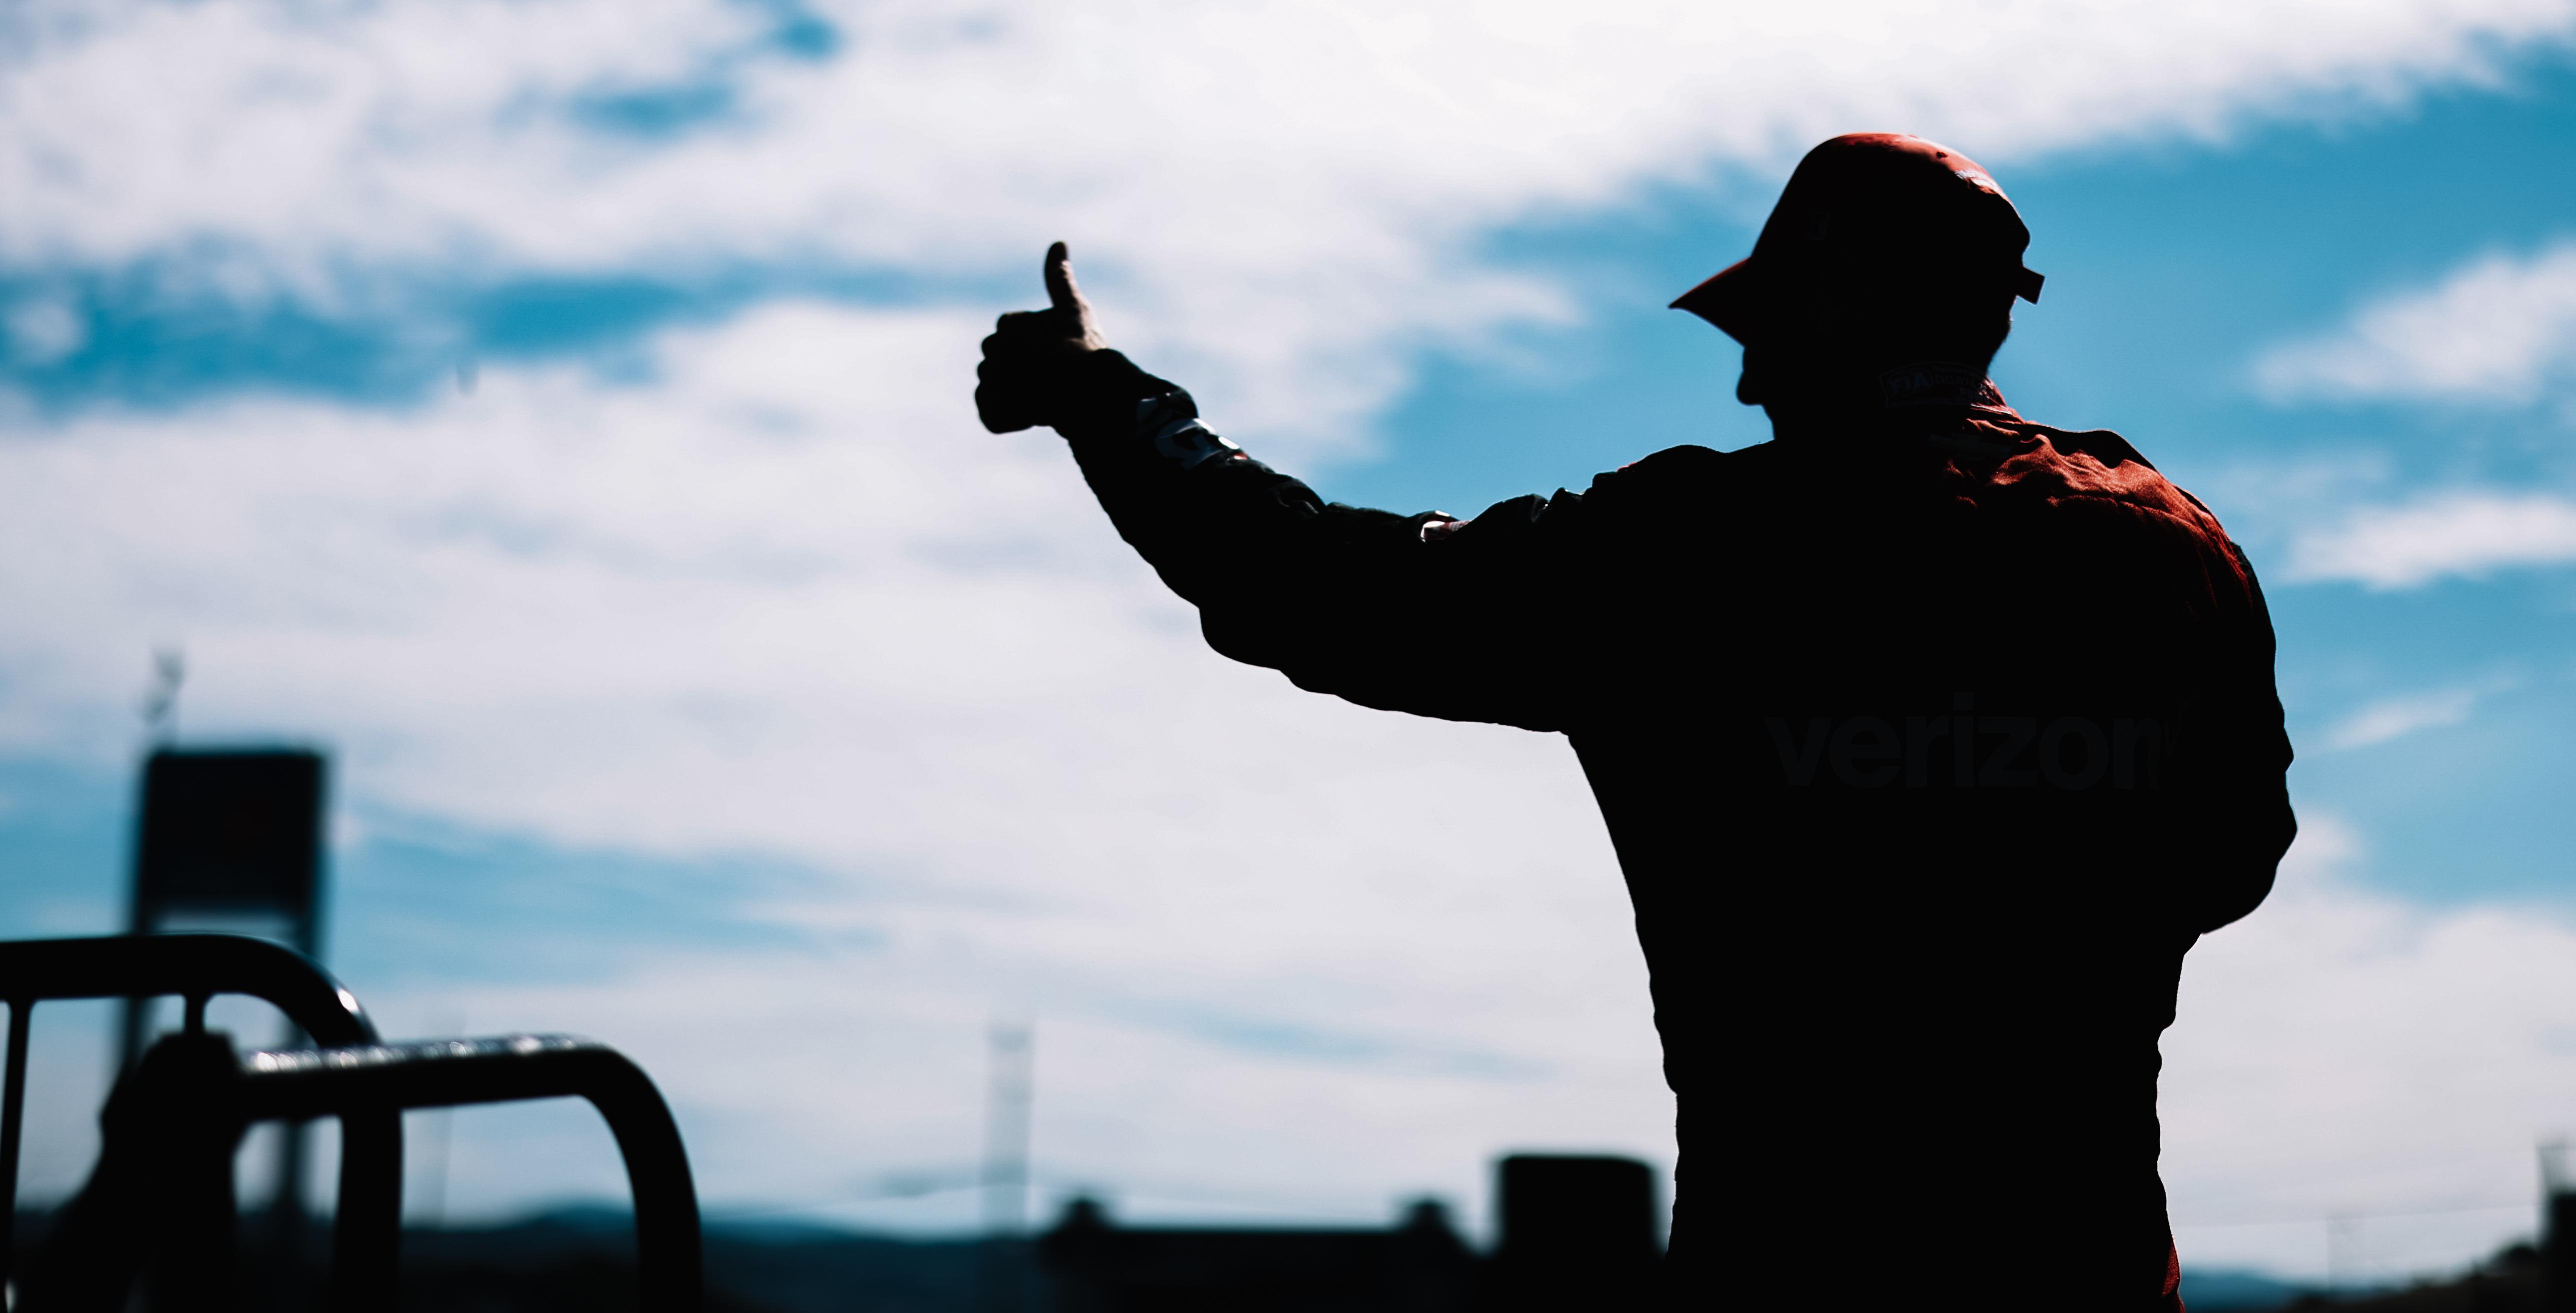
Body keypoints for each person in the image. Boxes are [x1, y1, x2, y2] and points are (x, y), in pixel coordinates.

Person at [977, 133, 2297, 1308]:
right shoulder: (2177, 553)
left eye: (1763, 333)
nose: (1742, 387)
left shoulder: (1689, 549)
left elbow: (1313, 582)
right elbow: (2234, 852)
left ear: (1835, 306)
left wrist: (1102, 395)